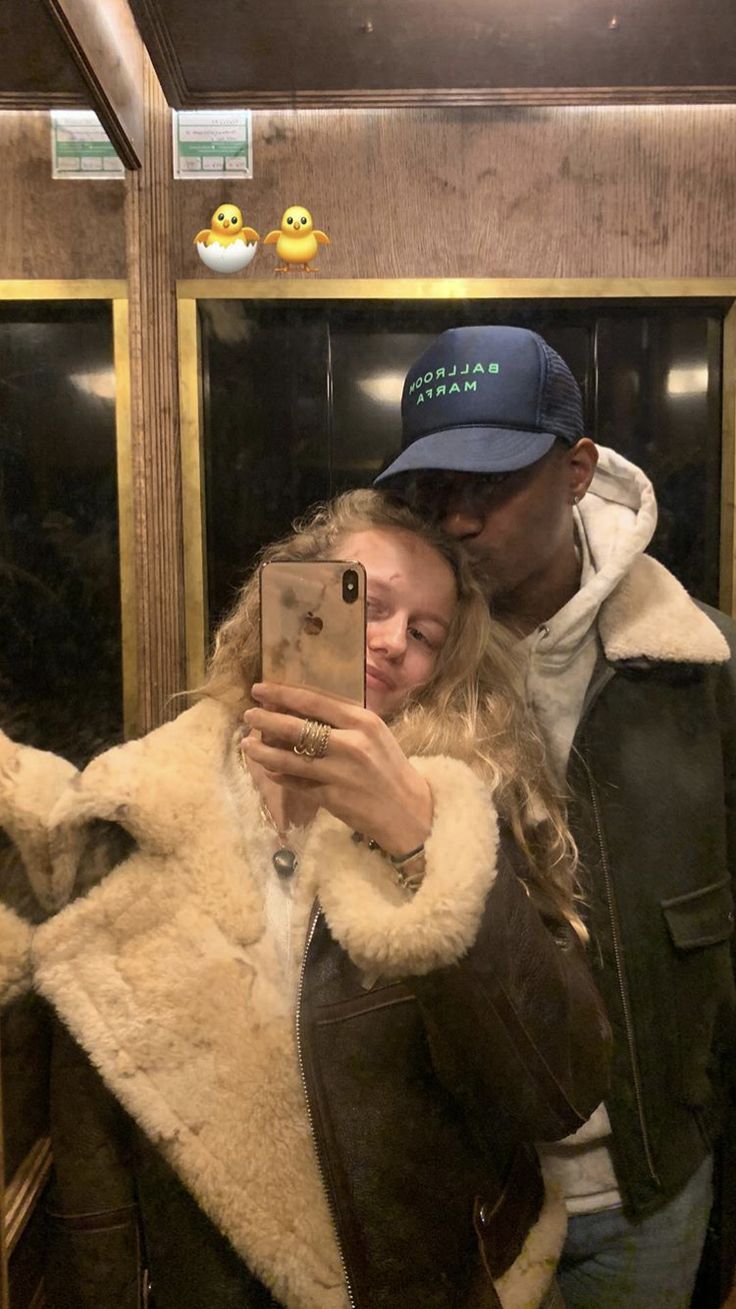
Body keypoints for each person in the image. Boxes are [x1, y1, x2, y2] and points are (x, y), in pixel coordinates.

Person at [25, 489, 610, 1309]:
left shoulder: (466, 805)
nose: (390, 640)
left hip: (417, 1281)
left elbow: (557, 1088)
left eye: (425, 633)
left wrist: (420, 841)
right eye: (363, 599)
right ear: (287, 595)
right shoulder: (138, 803)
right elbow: (95, 1127)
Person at [375, 324, 736, 1309]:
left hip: (646, 1183)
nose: (454, 518)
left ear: (576, 470)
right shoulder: (386, 669)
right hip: (454, 1181)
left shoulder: (703, 667)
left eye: (486, 483)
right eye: (431, 487)